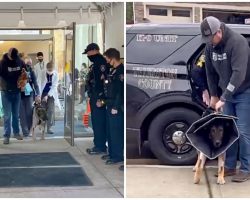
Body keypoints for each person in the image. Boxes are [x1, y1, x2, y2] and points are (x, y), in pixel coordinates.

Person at [201, 16, 250, 182]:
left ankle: (246, 169)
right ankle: (229, 167)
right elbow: (210, 72)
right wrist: (214, 94)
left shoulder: (238, 42)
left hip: (244, 92)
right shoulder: (210, 46)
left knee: (242, 132)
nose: (210, 42)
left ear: (219, 32)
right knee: (229, 131)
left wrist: (224, 97)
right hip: (224, 94)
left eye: (211, 38)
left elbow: (238, 74)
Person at [83, 43, 109, 155]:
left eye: (88, 52)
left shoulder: (101, 63)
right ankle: (98, 144)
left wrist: (99, 97)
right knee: (95, 121)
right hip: (94, 96)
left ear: (94, 51)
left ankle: (100, 146)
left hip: (99, 97)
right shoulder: (95, 63)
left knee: (99, 122)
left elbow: (101, 82)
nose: (87, 55)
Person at [0, 48, 26, 144]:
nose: (14, 59)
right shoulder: (2, 63)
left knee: (16, 115)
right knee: (7, 116)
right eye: (13, 57)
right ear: (9, 54)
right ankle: (6, 136)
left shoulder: (19, 60)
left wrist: (24, 79)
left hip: (17, 92)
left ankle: (16, 133)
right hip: (6, 92)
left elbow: (25, 72)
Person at [103, 48, 124, 165]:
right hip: (109, 103)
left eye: (107, 58)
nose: (106, 61)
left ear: (112, 58)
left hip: (116, 105)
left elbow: (120, 92)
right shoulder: (113, 71)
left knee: (116, 132)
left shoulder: (121, 71)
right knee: (110, 132)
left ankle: (117, 156)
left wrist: (116, 106)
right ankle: (111, 153)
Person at [19, 57, 40, 137]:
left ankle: (29, 129)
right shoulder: (19, 71)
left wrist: (38, 94)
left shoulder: (32, 72)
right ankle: (25, 132)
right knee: (22, 114)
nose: (29, 65)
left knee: (29, 113)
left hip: (29, 95)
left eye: (30, 63)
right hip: (20, 96)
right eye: (27, 63)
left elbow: (35, 84)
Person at [40, 61, 61, 134]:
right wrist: (40, 95)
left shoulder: (56, 74)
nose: (49, 71)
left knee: (50, 111)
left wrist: (47, 95)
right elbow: (39, 83)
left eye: (51, 70)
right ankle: (42, 127)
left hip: (51, 94)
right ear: (46, 68)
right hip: (42, 93)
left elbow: (54, 86)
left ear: (53, 69)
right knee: (42, 110)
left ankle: (49, 128)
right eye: (48, 70)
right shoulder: (42, 72)